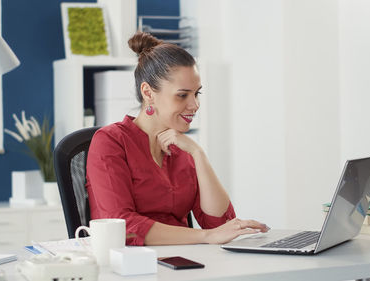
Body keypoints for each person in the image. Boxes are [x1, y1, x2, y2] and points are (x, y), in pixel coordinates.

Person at [86, 32, 269, 246]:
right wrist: (206, 236)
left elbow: (220, 223)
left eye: (197, 94)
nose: (195, 105)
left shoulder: (182, 147)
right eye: (183, 95)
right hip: (133, 268)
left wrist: (198, 154)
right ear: (148, 92)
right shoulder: (110, 142)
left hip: (184, 261)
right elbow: (124, 227)